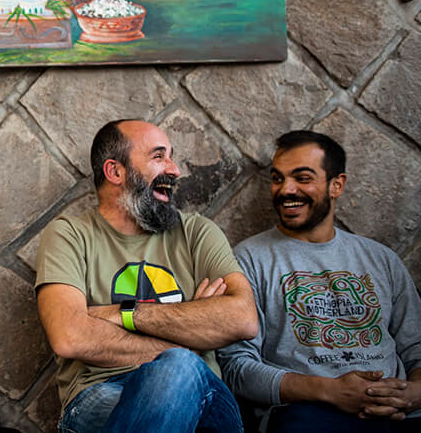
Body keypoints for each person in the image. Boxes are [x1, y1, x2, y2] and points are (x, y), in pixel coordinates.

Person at [36, 119, 258, 432]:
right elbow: (70, 337)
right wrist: (187, 339)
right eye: (158, 157)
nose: (175, 169)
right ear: (115, 172)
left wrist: (124, 314)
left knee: (179, 371)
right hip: (102, 393)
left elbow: (243, 319)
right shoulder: (70, 235)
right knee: (177, 366)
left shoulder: (196, 232)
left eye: (171, 156)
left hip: (203, 392)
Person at [218, 130, 421, 432]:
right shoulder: (248, 260)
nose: (286, 190)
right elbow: (237, 368)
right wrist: (330, 391)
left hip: (398, 414)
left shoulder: (381, 259)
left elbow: (416, 346)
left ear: (336, 185)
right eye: (277, 178)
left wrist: (415, 393)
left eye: (302, 178)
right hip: (308, 415)